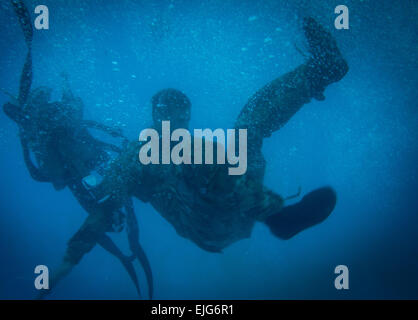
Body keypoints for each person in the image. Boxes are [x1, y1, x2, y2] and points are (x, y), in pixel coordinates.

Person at [51, 17, 349, 290]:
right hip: (208, 224)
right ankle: (278, 218)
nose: (176, 126)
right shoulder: (142, 155)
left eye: (181, 120)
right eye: (170, 119)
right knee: (238, 134)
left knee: (245, 130)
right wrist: (71, 256)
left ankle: (319, 72)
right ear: (157, 118)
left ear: (187, 118)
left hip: (226, 218)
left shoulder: (189, 149)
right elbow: (108, 204)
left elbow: (229, 175)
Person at [5, 0, 153, 299]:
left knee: (38, 106)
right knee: (37, 105)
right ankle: (34, 46)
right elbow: (45, 169)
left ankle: (32, 45)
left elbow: (43, 172)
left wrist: (25, 138)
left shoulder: (99, 204)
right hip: (70, 147)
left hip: (66, 147)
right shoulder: (101, 199)